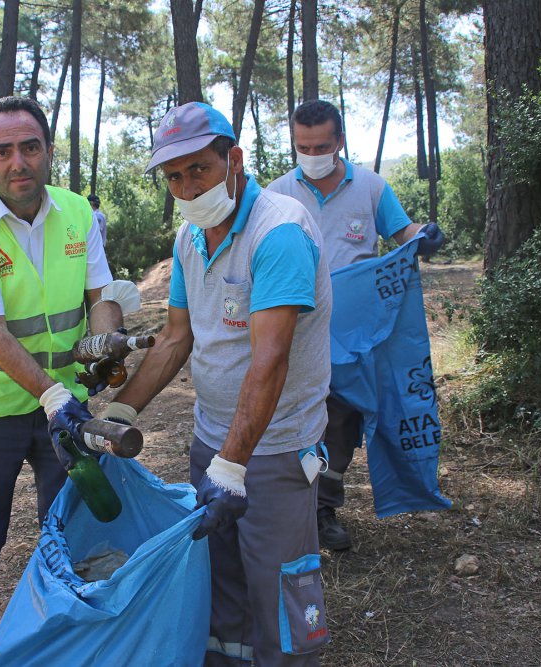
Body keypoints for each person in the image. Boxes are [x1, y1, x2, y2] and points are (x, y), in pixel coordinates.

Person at [101, 102, 333, 666]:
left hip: (275, 450)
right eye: (174, 177)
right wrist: (121, 413)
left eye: (198, 170)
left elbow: (270, 360)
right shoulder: (191, 236)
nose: (186, 187)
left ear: (234, 159)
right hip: (212, 442)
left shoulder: (277, 232)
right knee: (221, 585)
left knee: (280, 589)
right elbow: (177, 337)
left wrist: (232, 468)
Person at [0, 96, 123, 667]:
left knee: (73, 526)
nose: (19, 162)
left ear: (48, 152)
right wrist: (54, 393)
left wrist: (105, 343)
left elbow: (101, 297)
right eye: (3, 151)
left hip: (65, 405)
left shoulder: (79, 215)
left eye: (30, 147)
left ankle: (70, 640)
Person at [266, 99, 445, 551]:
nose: (311, 154)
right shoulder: (277, 192)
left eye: (320, 145)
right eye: (302, 146)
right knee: (296, 414)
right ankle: (292, 508)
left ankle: (324, 509)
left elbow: (402, 233)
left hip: (353, 335)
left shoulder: (370, 188)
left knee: (341, 419)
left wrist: (423, 236)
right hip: (296, 328)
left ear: (339, 141)